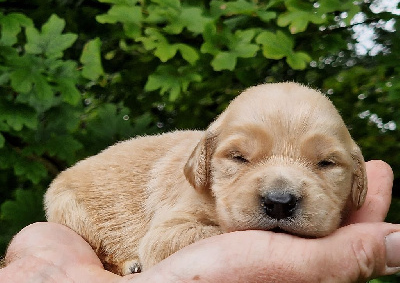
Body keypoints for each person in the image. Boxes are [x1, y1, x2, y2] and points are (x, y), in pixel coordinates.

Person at [0, 160, 399, 283]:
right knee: (63, 195)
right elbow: (163, 240)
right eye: (241, 159)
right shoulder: (197, 180)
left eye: (325, 163)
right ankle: (117, 261)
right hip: (84, 202)